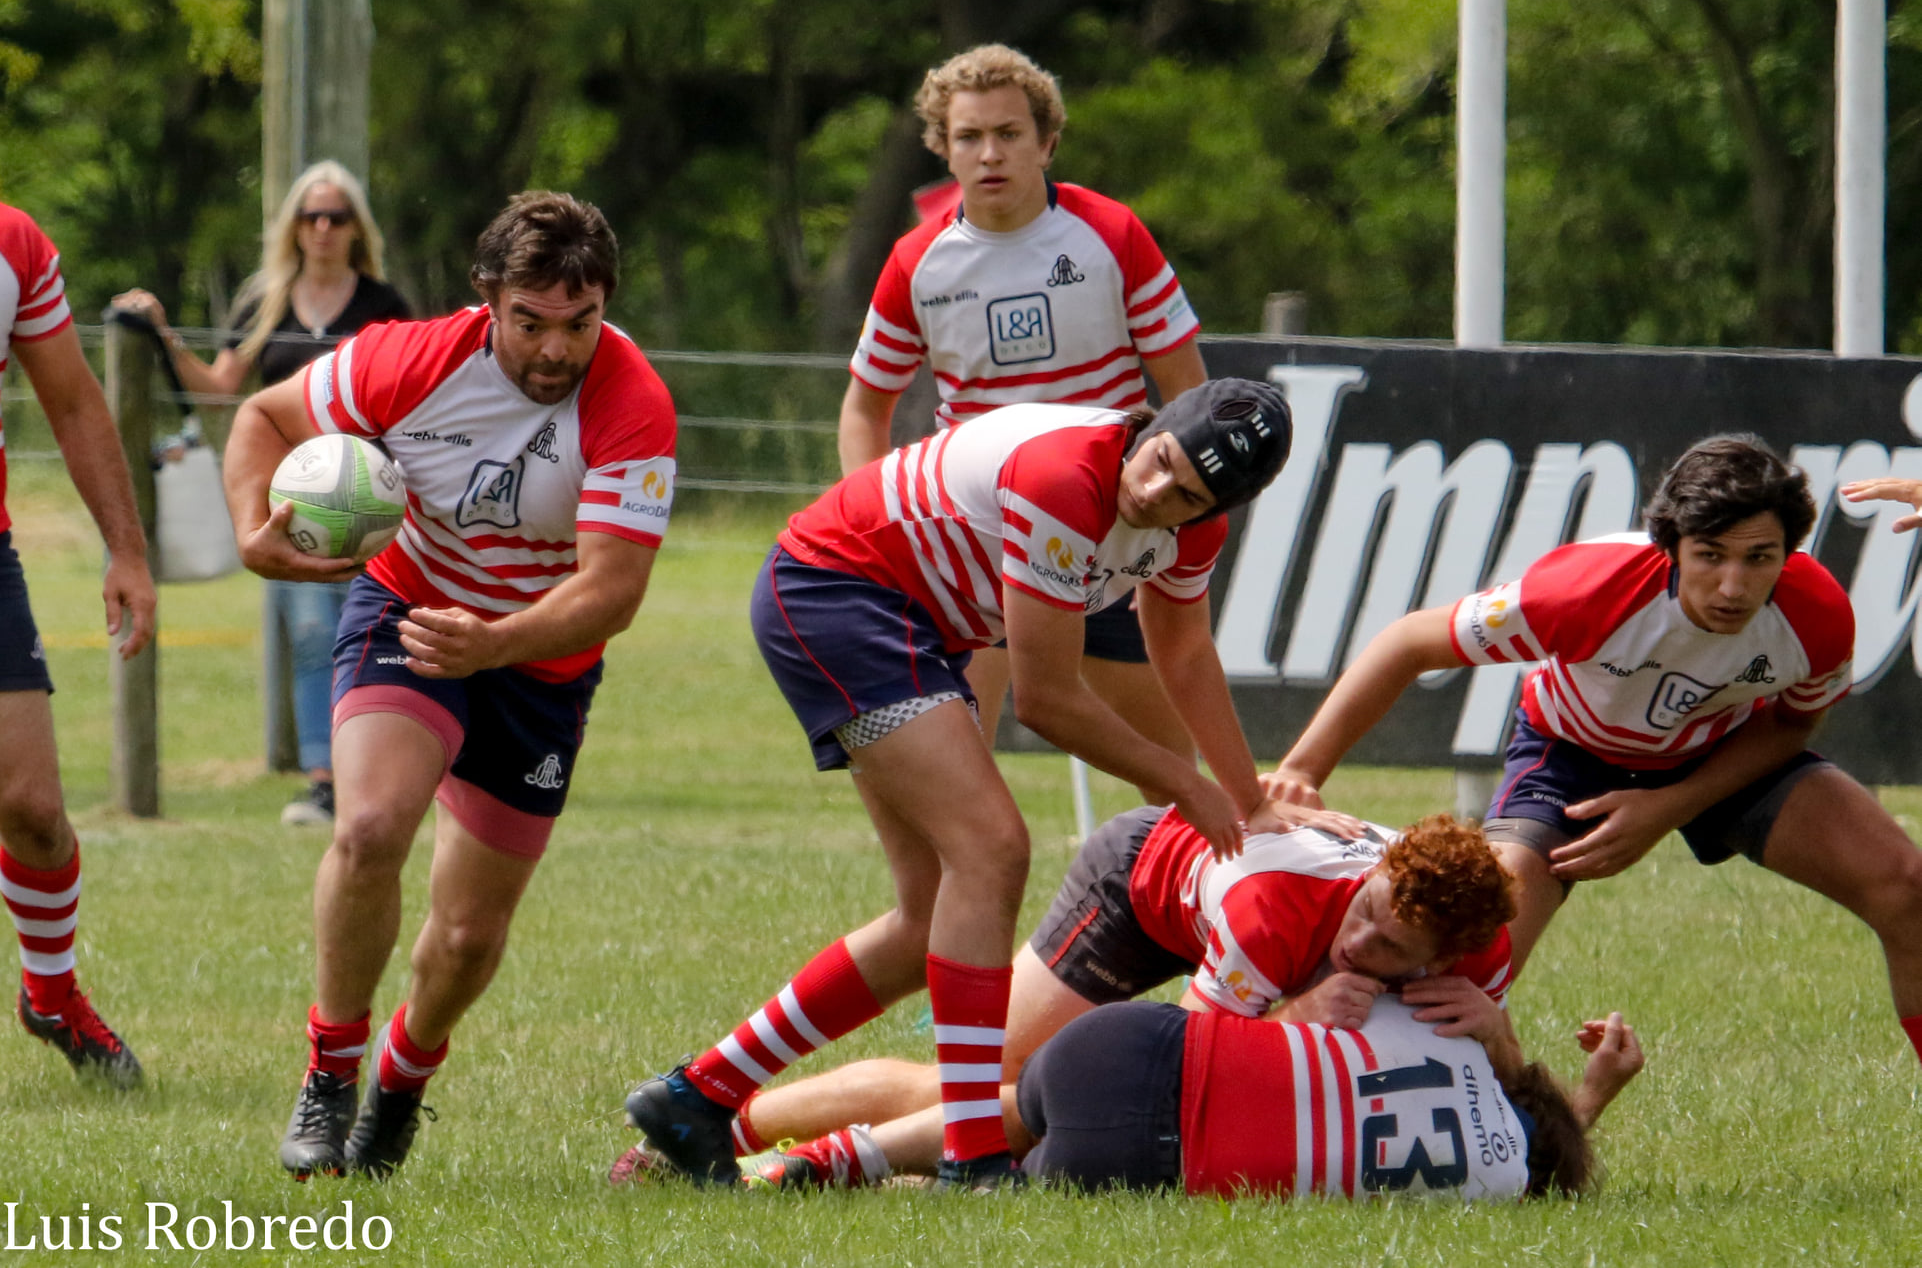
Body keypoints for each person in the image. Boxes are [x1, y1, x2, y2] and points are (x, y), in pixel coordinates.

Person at [620, 378, 1291, 1190]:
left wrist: (1247, 797)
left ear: (1214, 510)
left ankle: (698, 1094)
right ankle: (971, 1154)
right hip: (837, 590)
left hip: (908, 620)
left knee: (928, 915)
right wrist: (1185, 784)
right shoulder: (1066, 477)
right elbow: (1047, 700)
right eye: (1159, 460)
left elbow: (1183, 653)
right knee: (993, 850)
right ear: (1150, 427)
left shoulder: (1191, 530)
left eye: (1186, 494)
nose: (1155, 491)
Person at [221, 191, 677, 1179]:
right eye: (531, 323)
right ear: (488, 298)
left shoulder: (632, 401)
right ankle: (330, 1073)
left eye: (579, 324)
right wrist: (253, 530)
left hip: (539, 664)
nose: (556, 351)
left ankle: (402, 1078)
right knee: (370, 825)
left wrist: (499, 641)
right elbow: (263, 415)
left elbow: (612, 588)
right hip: (409, 611)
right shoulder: (412, 359)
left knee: (468, 938)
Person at [1267, 435, 1922, 1067]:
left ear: (1789, 551)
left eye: (1759, 558)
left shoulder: (1819, 617)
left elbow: (1788, 726)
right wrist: (1300, 771)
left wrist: (1667, 807)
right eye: (1710, 555)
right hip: (1570, 756)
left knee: (1908, 887)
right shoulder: (1587, 589)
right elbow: (1410, 642)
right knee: (1468, 957)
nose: (1732, 586)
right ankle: (1333, 1084)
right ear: (1671, 545)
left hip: (1718, 753)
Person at [618, 806, 1518, 1187]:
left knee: (1012, 1113)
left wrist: (1499, 1036)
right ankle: (716, 1134)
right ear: (1373, 878)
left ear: (1449, 954)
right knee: (994, 1094)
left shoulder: (1480, 946)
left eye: (1391, 948)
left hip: (1223, 923)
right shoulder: (1271, 911)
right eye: (1364, 913)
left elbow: (1482, 1083)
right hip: (1138, 888)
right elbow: (1170, 1069)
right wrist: (1287, 1020)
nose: (1358, 944)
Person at [842, 44, 1211, 789]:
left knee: (1172, 770)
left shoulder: (1111, 234)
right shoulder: (919, 262)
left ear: (1047, 142)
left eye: (1009, 133)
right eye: (969, 136)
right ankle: (946, 906)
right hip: (976, 535)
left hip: (1102, 530)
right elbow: (863, 408)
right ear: (943, 150)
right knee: (955, 773)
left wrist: (1171, 510)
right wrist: (875, 527)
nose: (990, 154)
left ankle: (1185, 899)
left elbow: (1186, 394)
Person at [113, 160, 412, 827]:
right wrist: (161, 334)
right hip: (292, 502)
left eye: (337, 216)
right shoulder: (264, 301)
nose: (324, 228)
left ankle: (379, 775)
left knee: (377, 634)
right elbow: (219, 388)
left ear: (356, 228)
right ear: (295, 228)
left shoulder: (382, 305)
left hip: (372, 500)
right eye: (312, 216)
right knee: (310, 635)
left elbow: (410, 396)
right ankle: (325, 783)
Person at [791, 989, 1644, 1199]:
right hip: (1139, 1163)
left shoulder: (1447, 1026)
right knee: (988, 1188)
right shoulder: (1496, 1191)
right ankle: (877, 1178)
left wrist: (1502, 1035)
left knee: (1004, 1113)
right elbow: (1520, 1156)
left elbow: (1494, 1098)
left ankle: (837, 1153)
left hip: (1129, 1047)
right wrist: (1589, 1103)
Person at [0, 202, 155, 1087]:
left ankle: (50, 996)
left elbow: (71, 401)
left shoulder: (16, 245)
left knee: (32, 809)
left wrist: (125, 549)